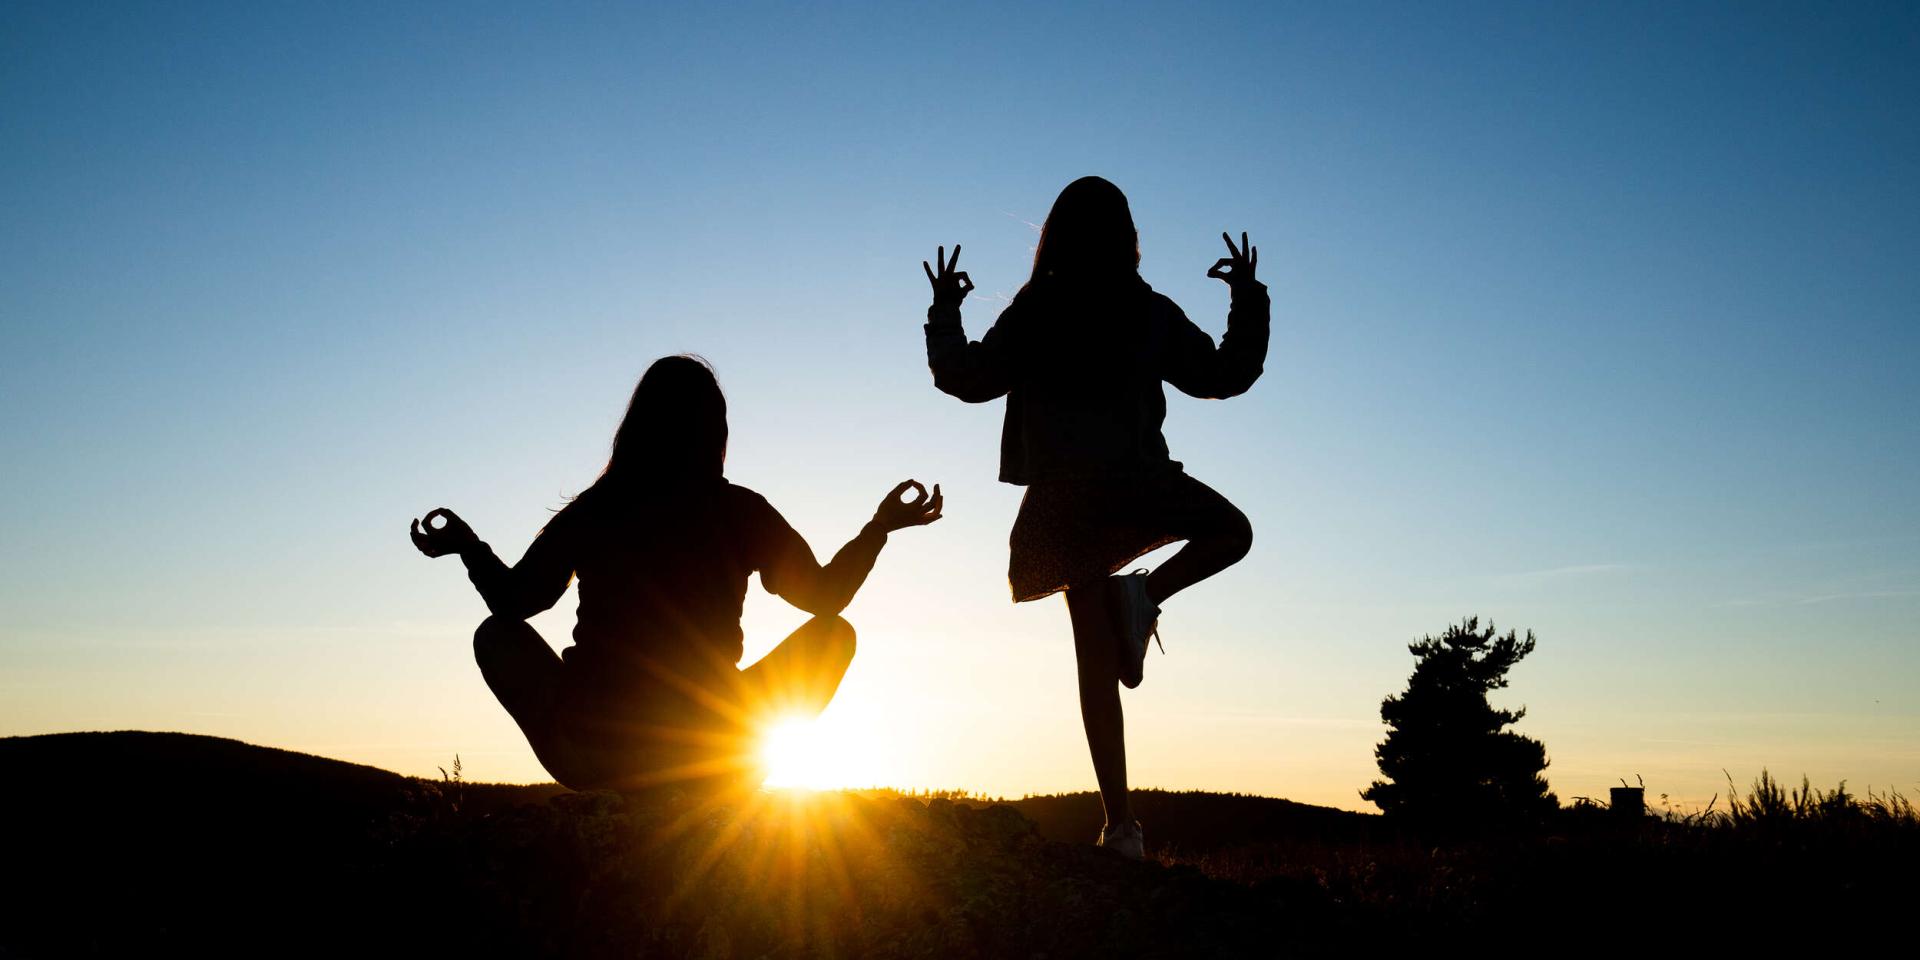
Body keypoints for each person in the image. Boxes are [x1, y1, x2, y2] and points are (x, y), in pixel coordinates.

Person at [921, 176, 1269, 858]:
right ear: (1126, 237)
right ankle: (1142, 596)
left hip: (1060, 500)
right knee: (1233, 533)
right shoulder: (1147, 310)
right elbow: (1224, 374)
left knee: (1093, 663)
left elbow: (966, 378)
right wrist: (1247, 298)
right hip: (1131, 482)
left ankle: (1122, 827)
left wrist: (944, 310)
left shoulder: (1037, 309)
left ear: (1054, 235)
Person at [409, 355, 942, 793]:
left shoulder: (596, 509)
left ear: (636, 428)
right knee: (834, 637)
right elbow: (826, 597)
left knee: (496, 636)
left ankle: (596, 764)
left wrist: (467, 547)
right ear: (716, 433)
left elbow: (515, 602)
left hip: (594, 747)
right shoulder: (740, 511)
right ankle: (720, 770)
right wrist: (880, 527)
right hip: (711, 749)